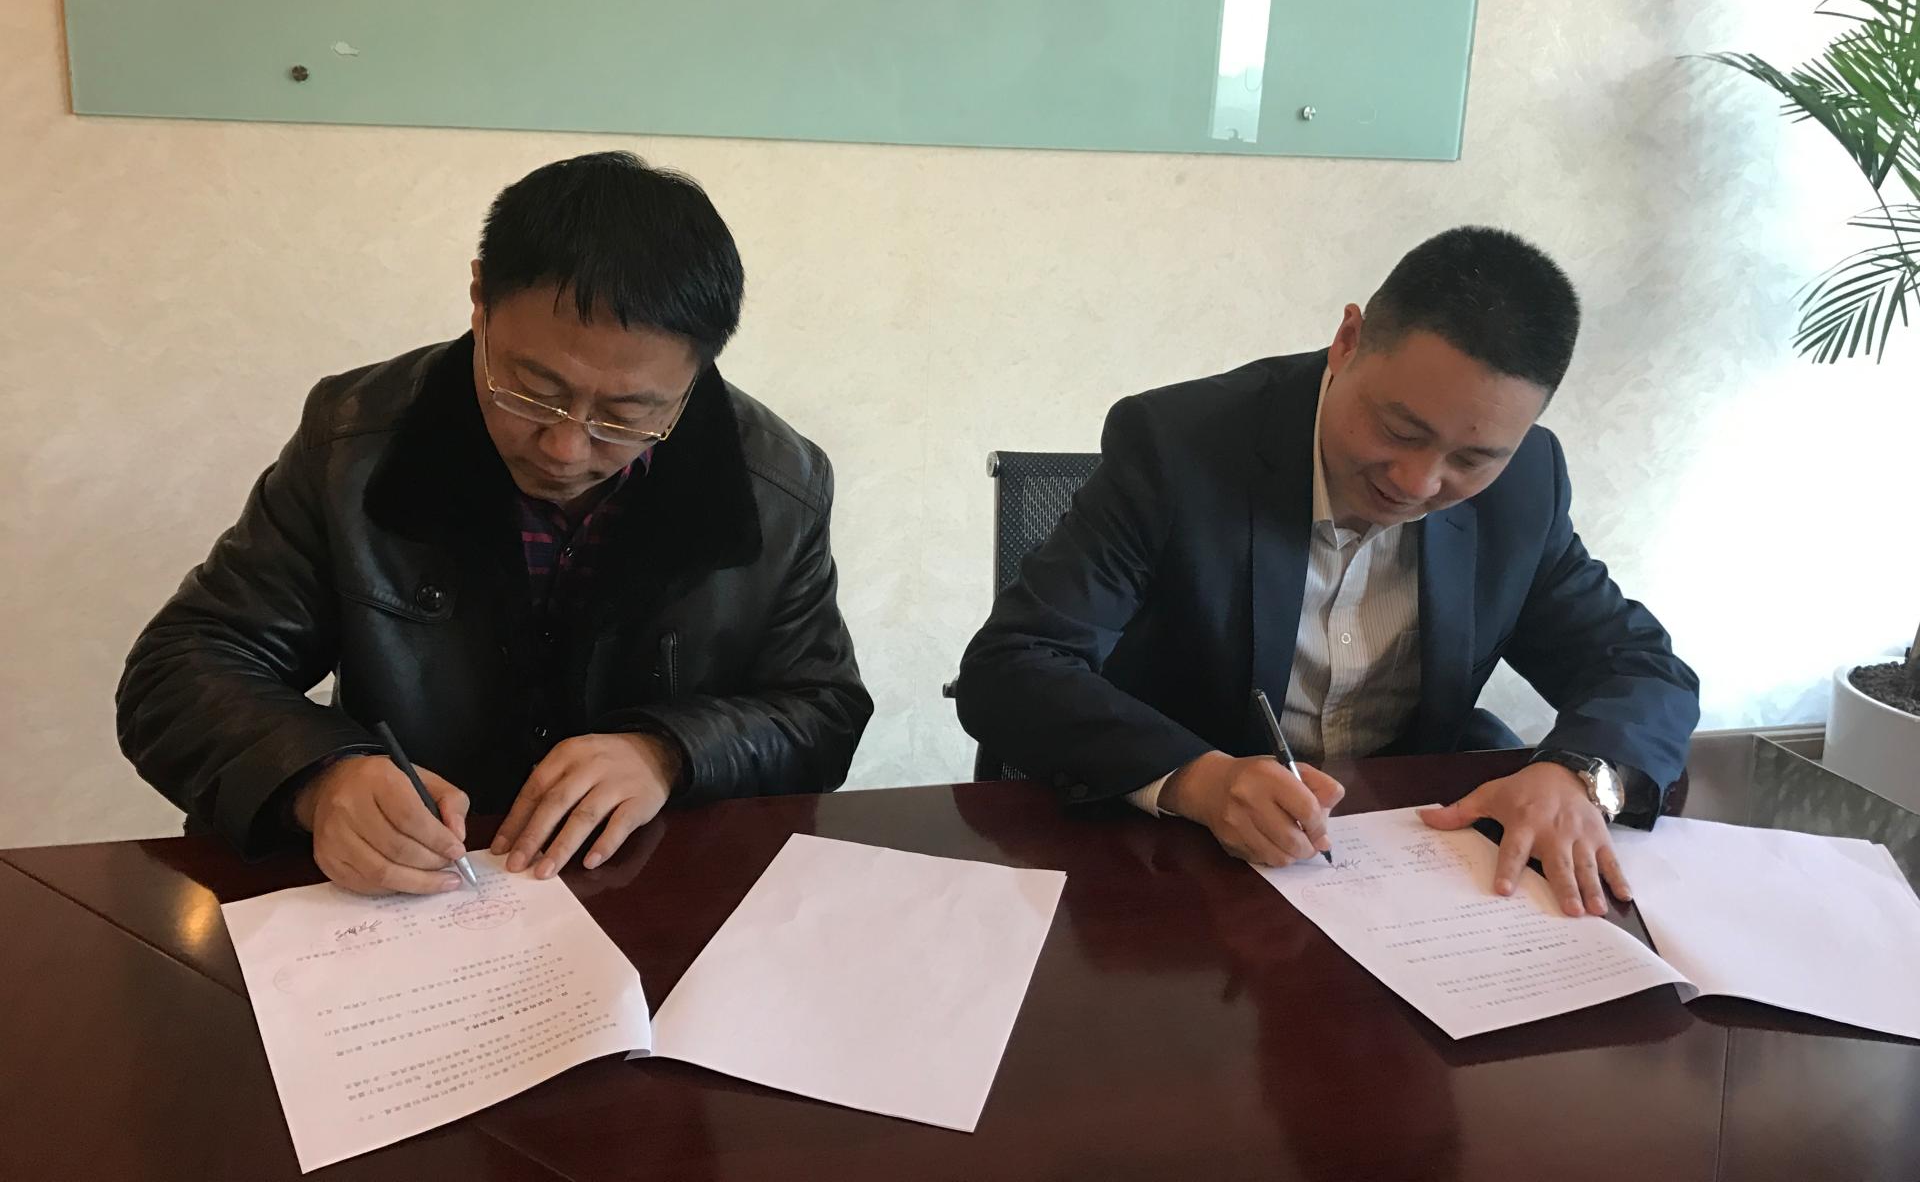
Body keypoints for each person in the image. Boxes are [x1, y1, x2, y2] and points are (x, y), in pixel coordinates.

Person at [118, 151, 871, 893]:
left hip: (652, 888)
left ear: (695, 375)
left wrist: (670, 754)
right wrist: (319, 778)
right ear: (480, 298)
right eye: (533, 391)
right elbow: (181, 668)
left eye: (627, 415)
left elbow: (822, 710)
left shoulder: (778, 484)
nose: (566, 448)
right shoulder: (352, 442)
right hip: (415, 892)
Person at [954, 227, 1698, 919]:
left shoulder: (1525, 483)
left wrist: (1579, 776)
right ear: (1347, 342)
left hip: (1404, 871)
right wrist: (1199, 779)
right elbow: (1013, 666)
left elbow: (1639, 665)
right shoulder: (1178, 449)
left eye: (1472, 459)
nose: (1417, 482)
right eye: (1399, 429)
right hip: (1177, 873)